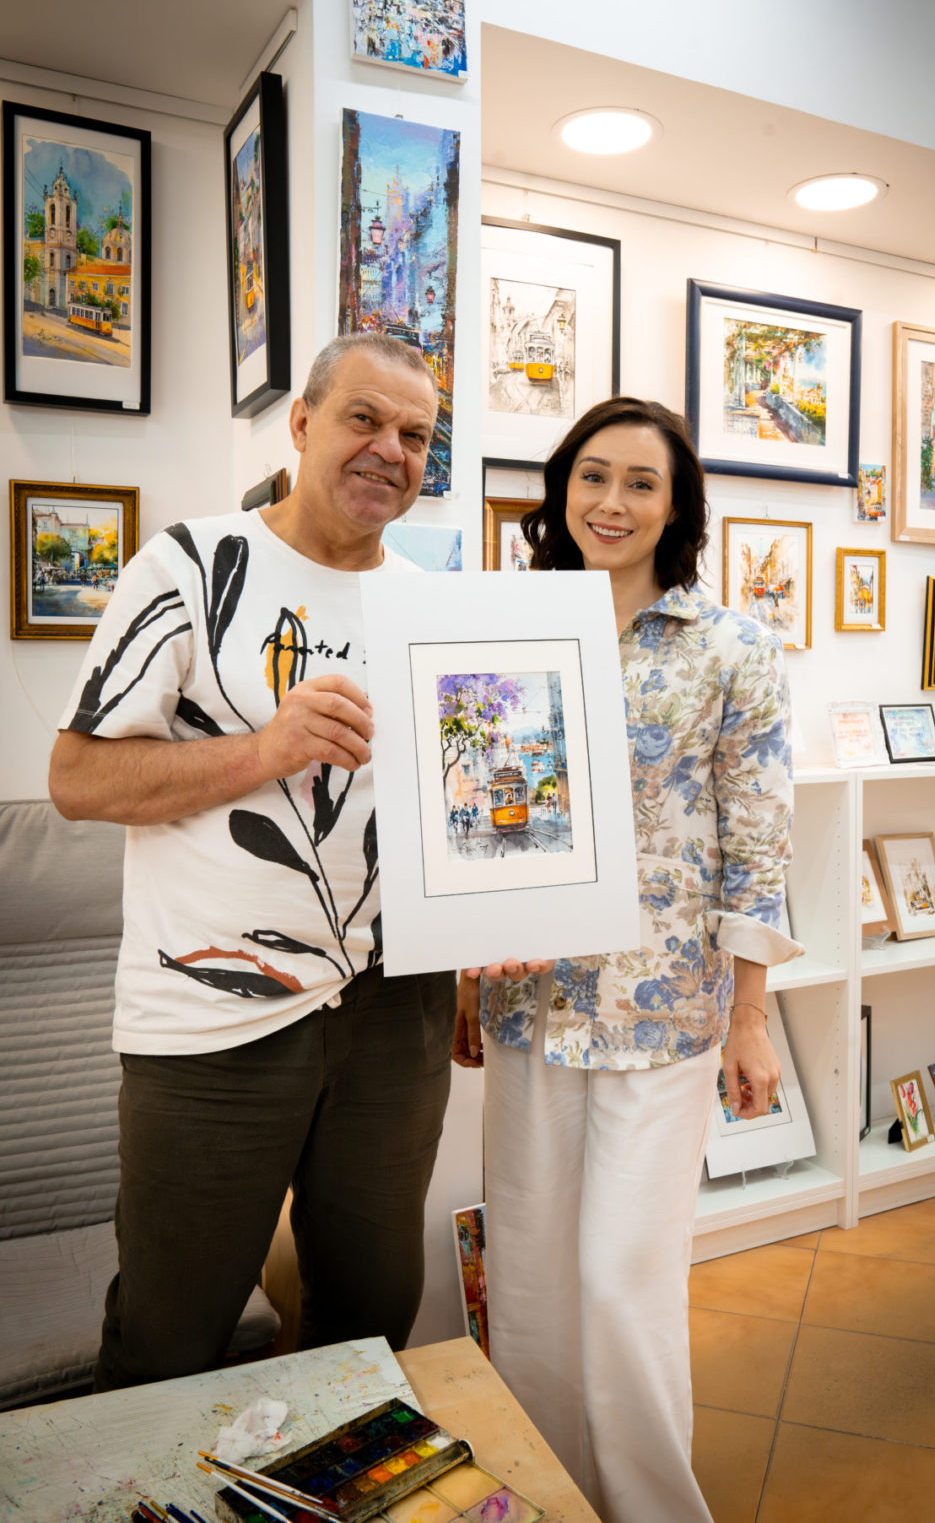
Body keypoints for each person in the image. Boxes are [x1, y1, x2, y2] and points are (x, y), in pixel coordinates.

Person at [48, 331, 547, 1392]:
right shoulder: (189, 567)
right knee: (171, 1332)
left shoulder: (438, 607)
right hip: (211, 1014)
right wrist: (264, 751)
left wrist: (489, 922)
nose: (390, 450)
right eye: (365, 419)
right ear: (304, 421)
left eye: (416, 435)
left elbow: (463, 818)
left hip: (391, 1012)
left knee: (369, 1317)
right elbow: (78, 779)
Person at [453, 395, 802, 1523]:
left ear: (675, 504)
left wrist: (751, 1017)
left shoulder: (735, 649)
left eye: (640, 483)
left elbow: (757, 840)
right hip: (528, 1002)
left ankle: (655, 1507)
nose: (611, 502)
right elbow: (473, 817)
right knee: (537, 1283)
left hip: (663, 1007)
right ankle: (550, 1497)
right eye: (593, 476)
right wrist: (466, 963)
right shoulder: (502, 625)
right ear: (560, 489)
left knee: (621, 1281)